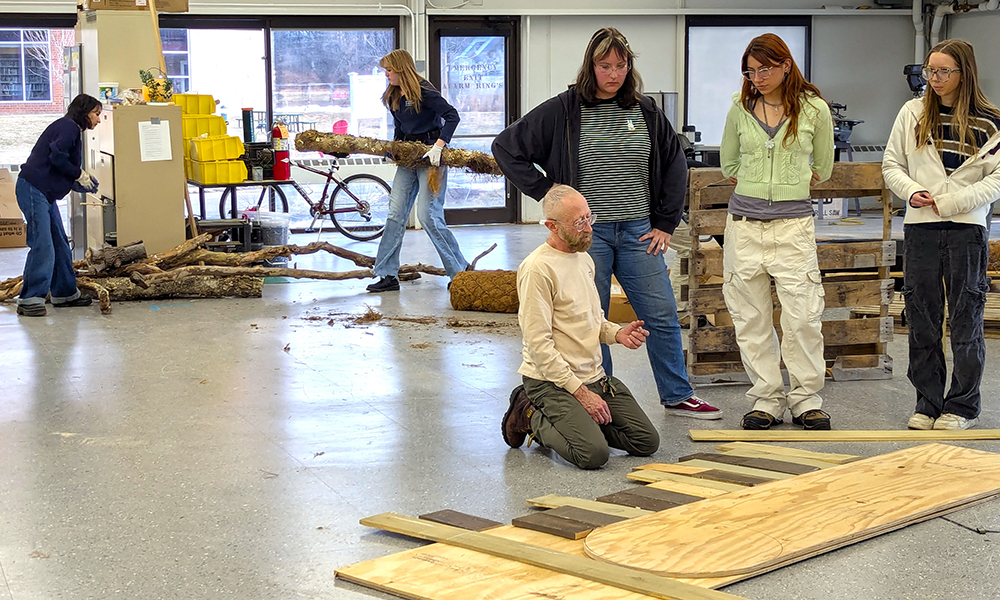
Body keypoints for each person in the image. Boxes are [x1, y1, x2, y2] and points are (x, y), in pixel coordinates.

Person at [493, 27, 722, 420]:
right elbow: (505, 148)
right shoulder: (565, 110)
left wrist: (665, 223)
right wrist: (550, 193)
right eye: (605, 66)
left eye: (621, 65)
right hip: (587, 235)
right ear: (591, 67)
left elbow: (674, 164)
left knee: (662, 314)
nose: (613, 73)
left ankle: (677, 394)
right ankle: (601, 397)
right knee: (588, 321)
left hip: (639, 232)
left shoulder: (645, 110)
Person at [883, 39, 1000, 431]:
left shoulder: (990, 122)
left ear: (963, 73)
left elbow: (996, 181)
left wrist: (952, 203)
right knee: (922, 317)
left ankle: (962, 407)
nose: (933, 78)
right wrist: (910, 192)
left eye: (943, 71)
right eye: (929, 70)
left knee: (966, 319)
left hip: (968, 229)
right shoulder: (913, 113)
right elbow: (891, 164)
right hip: (920, 227)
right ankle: (928, 403)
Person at [719, 33, 834, 431]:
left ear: (786, 64)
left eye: (765, 69)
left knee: (802, 317)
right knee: (750, 317)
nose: (758, 77)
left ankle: (806, 399)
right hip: (744, 228)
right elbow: (728, 162)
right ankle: (766, 398)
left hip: (793, 228)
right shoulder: (740, 107)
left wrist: (789, 186)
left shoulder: (814, 109)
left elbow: (824, 165)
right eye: (750, 71)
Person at [502, 185, 659, 469]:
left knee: (646, 441)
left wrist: (616, 333)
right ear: (551, 226)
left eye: (589, 218)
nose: (588, 229)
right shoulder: (538, 269)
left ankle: (577, 424)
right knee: (593, 455)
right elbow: (539, 346)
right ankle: (528, 413)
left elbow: (592, 318)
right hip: (550, 381)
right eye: (578, 223)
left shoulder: (584, 259)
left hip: (593, 376)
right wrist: (580, 393)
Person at [366, 49, 469, 293]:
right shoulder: (393, 95)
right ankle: (387, 273)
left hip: (431, 158)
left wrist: (439, 146)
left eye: (389, 70)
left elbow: (452, 116)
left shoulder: (424, 91)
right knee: (395, 215)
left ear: (401, 68)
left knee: (428, 216)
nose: (387, 74)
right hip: (408, 159)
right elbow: (400, 128)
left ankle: (460, 272)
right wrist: (394, 148)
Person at [15, 93, 102, 317]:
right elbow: (57, 156)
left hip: (44, 192)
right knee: (42, 243)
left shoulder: (71, 129)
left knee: (60, 243)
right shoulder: (69, 127)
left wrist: (80, 182)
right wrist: (77, 173)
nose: (98, 120)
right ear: (84, 113)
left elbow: (58, 166)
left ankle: (64, 292)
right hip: (33, 188)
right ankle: (30, 298)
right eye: (96, 114)